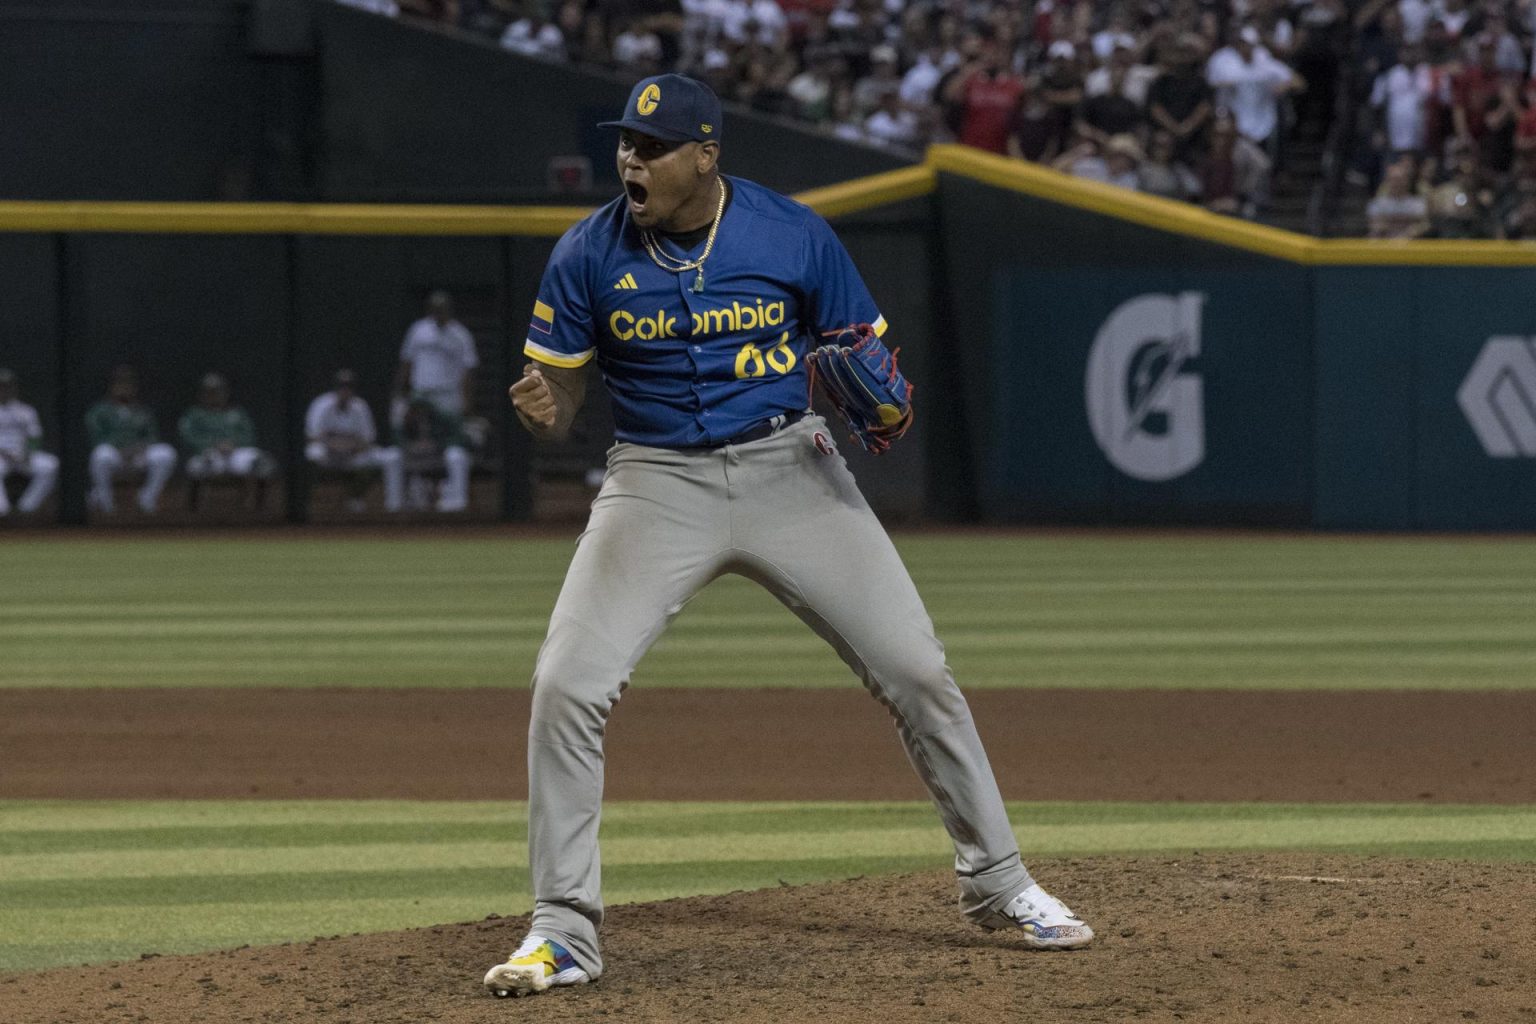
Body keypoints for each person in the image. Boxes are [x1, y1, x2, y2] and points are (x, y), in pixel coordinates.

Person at [482, 72, 1093, 1001]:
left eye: (651, 147)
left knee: (918, 671)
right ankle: (563, 931)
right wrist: (545, 406)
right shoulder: (585, 253)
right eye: (625, 144)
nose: (630, 160)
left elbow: (869, 360)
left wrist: (881, 400)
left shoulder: (792, 233)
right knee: (567, 685)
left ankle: (1001, 883)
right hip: (653, 481)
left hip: (791, 471)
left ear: (705, 156)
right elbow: (559, 398)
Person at [304, 368, 404, 514]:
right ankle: (310, 502)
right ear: (335, 388)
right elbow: (312, 436)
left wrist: (350, 447)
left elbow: (368, 440)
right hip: (327, 454)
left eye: (349, 386)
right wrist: (335, 445)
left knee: (393, 456)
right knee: (311, 454)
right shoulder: (321, 404)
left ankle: (394, 507)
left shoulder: (360, 406)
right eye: (342, 386)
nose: (345, 390)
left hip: (353, 455)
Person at [85, 365, 177, 515]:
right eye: (120, 384)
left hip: (138, 457)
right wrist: (120, 448)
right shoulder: (99, 411)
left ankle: (147, 498)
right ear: (112, 387)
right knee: (100, 454)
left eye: (128, 384)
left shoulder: (142, 411)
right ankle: (105, 503)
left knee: (166, 453)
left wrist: (140, 448)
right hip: (115, 456)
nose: (124, 388)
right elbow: (96, 437)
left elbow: (152, 437)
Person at [178, 373, 277, 508]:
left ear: (225, 392)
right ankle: (194, 508)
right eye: (210, 392)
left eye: (217, 391)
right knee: (196, 466)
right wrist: (214, 445)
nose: (214, 395)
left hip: (235, 454)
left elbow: (250, 436)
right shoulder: (195, 414)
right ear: (203, 394)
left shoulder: (237, 413)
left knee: (263, 462)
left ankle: (259, 506)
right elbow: (188, 437)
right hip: (210, 455)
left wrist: (233, 444)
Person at [395, 290, 479, 424]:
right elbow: (407, 361)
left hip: (447, 395)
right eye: (435, 309)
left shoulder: (461, 335)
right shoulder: (418, 329)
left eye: (442, 309)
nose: (439, 312)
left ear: (449, 309)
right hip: (421, 393)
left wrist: (467, 401)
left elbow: (468, 369)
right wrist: (401, 391)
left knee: (448, 432)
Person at [395, 396, 471, 513]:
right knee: (394, 456)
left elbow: (461, 438)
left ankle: (458, 502)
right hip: (416, 459)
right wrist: (413, 446)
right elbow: (397, 440)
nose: (420, 413)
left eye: (422, 409)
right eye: (416, 409)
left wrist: (437, 445)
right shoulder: (406, 420)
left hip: (439, 456)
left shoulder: (444, 418)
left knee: (455, 455)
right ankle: (397, 504)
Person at [0, 368, 59, 517]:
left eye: (7, 386)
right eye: (1, 386)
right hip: (1, 456)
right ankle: (3, 511)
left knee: (50, 465)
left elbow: (35, 437)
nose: (4, 389)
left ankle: (25, 509)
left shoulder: (26, 411)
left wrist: (28, 453)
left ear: (14, 388)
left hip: (22, 455)